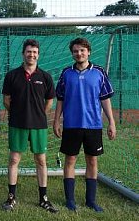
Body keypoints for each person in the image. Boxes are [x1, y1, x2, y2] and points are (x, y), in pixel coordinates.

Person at [53, 37, 116, 212]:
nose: (79, 53)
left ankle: (91, 201)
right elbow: (60, 99)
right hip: (72, 125)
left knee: (92, 161)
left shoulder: (99, 72)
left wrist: (111, 122)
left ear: (88, 51)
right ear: (72, 53)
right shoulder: (66, 73)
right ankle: (70, 201)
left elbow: (105, 99)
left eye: (82, 50)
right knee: (70, 160)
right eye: (75, 51)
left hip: (93, 125)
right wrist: (56, 120)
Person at [1, 39, 58, 213]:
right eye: (28, 52)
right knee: (14, 159)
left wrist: (39, 113)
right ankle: (11, 198)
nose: (31, 55)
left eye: (34, 52)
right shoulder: (12, 75)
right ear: (23, 54)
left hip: (39, 124)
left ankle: (43, 198)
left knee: (41, 160)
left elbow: (50, 100)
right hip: (17, 123)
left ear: (38, 55)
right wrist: (18, 112)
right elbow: (6, 100)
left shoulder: (45, 76)